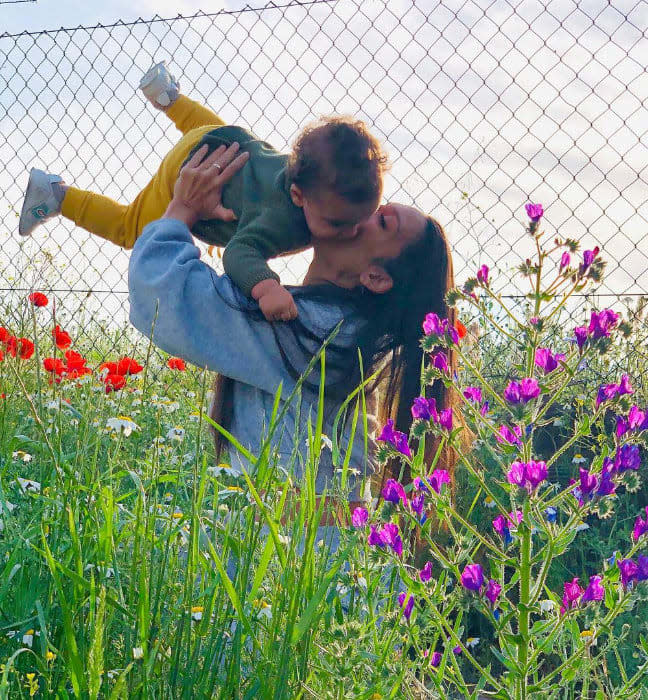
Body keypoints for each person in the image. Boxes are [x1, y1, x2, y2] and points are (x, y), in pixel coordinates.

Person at [128, 140, 459, 526]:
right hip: (312, 555)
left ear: (375, 276)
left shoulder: (318, 330)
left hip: (290, 558)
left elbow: (161, 294)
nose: (365, 208)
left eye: (382, 220)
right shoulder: (343, 329)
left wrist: (182, 209)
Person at [19, 62, 389, 322]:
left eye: (363, 220)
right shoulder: (283, 220)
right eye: (338, 223)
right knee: (129, 228)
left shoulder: (319, 178)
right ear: (296, 196)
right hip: (193, 169)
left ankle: (169, 98)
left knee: (218, 133)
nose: (352, 231)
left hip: (220, 139)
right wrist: (266, 287)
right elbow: (241, 252)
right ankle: (54, 194)